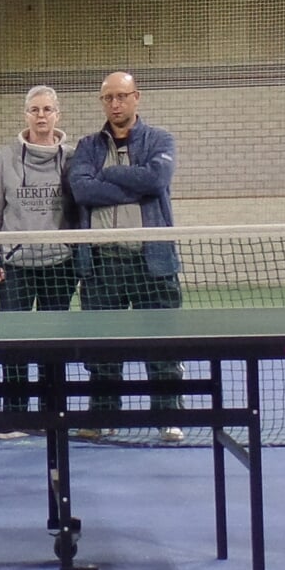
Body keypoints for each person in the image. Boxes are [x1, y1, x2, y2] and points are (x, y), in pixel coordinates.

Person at [66, 71, 184, 442]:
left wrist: (112, 173)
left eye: (121, 96)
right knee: (102, 350)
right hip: (102, 263)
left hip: (152, 260)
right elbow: (82, 190)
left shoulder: (160, 139)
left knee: (161, 345)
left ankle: (167, 417)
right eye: (108, 98)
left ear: (137, 97)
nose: (115, 104)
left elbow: (156, 180)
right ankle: (102, 418)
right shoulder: (87, 146)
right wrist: (132, 184)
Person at [0, 85, 78, 436]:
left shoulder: (71, 157)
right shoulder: (5, 158)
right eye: (34, 110)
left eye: (47, 110)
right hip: (15, 267)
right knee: (15, 346)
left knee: (53, 347)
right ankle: (16, 415)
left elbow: (79, 211)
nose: (41, 116)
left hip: (59, 265)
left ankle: (53, 414)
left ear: (57, 115)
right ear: (25, 114)